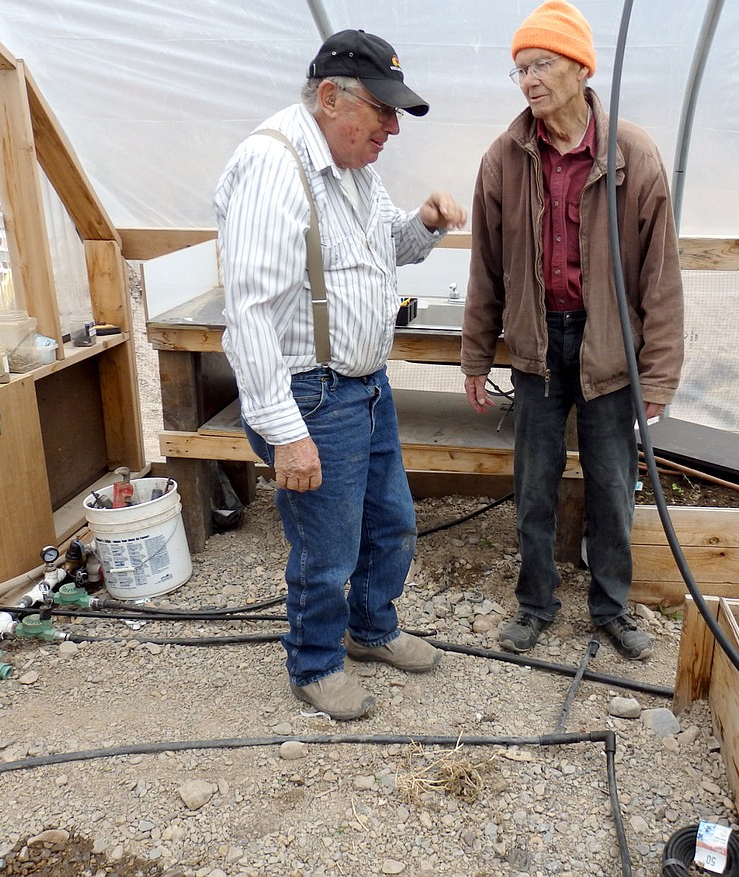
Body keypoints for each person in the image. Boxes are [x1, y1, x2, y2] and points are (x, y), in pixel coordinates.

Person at [215, 29, 467, 720]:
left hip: (364, 387)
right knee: (326, 548)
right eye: (381, 110)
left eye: (395, 113)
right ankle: (315, 663)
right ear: (331, 96)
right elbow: (251, 317)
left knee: (391, 524)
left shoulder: (352, 168)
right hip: (312, 392)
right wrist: (285, 431)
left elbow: (386, 244)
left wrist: (423, 222)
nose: (391, 127)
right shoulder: (275, 166)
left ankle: (371, 627)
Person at [461, 0, 684, 661]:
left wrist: (661, 373)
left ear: (581, 67)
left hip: (610, 348)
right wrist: (476, 358)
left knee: (613, 485)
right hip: (536, 347)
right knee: (534, 483)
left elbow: (662, 279)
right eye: (519, 68)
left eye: (541, 63)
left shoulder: (632, 154)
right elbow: (487, 270)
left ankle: (612, 609)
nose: (528, 78)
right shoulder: (504, 159)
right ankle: (535, 604)